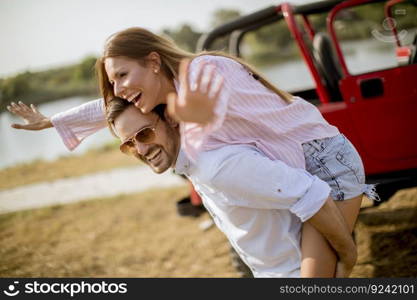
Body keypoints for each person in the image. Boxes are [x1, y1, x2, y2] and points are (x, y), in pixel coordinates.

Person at [7, 26, 379, 277]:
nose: (117, 87)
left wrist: (349, 252)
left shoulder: (205, 70)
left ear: (154, 62)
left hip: (325, 160)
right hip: (295, 166)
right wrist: (54, 122)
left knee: (330, 268)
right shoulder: (167, 95)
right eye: (112, 80)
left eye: (121, 75)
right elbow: (110, 106)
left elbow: (204, 108)